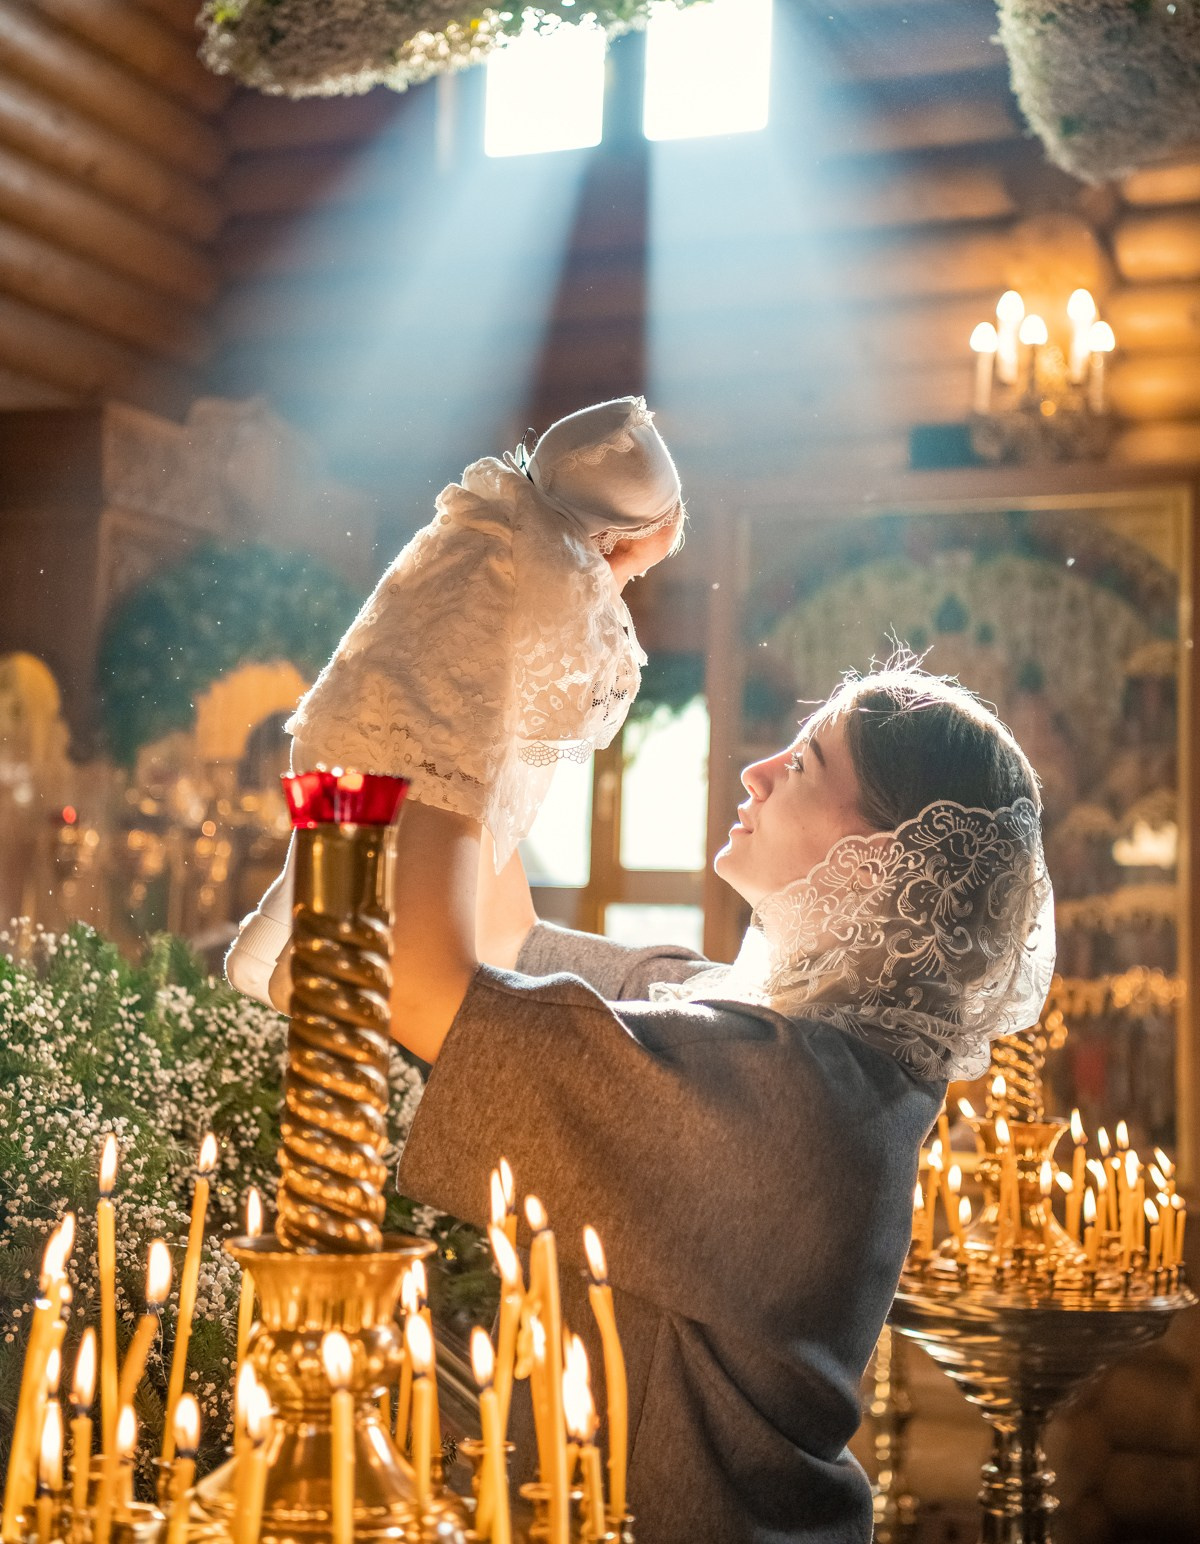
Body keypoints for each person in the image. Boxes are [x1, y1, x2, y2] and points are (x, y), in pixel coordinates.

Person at [266, 662, 1055, 1544]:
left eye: (805, 765)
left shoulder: (783, 1093)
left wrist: (439, 668)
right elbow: (502, 939)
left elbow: (415, 985)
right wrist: (498, 663)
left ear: (883, 856)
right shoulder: (790, 1036)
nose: (759, 771)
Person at [225, 396, 683, 1003]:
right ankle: (302, 953)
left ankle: (283, 929)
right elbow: (563, 691)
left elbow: (512, 934)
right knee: (371, 906)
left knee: (338, 858)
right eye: (634, 573)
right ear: (598, 550)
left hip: (346, 741)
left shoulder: (475, 549)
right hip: (414, 768)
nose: (623, 593)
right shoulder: (521, 607)